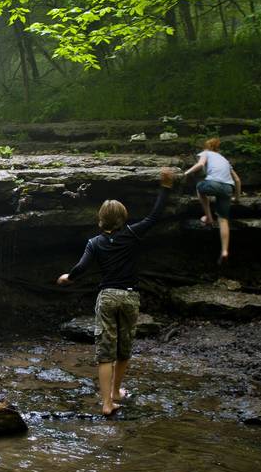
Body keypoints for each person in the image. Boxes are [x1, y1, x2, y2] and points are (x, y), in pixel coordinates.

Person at [56, 168, 176, 416]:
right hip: (130, 296)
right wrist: (164, 187)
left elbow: (81, 267)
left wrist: (68, 277)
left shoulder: (94, 243)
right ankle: (115, 392)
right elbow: (155, 216)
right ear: (124, 218)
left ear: (101, 219)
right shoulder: (131, 234)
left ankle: (107, 404)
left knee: (105, 353)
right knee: (124, 349)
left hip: (108, 296)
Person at [183, 137, 242, 264]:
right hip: (228, 188)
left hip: (213, 185)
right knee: (223, 219)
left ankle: (209, 217)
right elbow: (237, 180)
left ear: (207, 147)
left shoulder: (206, 153)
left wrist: (186, 173)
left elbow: (200, 165)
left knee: (200, 188)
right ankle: (225, 251)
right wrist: (236, 198)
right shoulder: (225, 160)